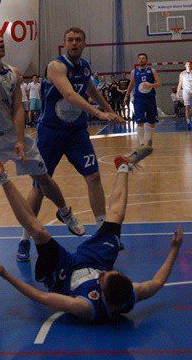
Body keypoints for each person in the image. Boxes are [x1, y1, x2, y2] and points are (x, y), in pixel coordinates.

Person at [0, 146, 186, 322]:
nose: (105, 272)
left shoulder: (86, 307)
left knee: (38, 231)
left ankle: (2, 177)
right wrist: (175, 249)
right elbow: (157, 283)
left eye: (104, 277)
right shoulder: (128, 294)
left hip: (62, 273)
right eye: (111, 272)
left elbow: (42, 298)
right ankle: (123, 166)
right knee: (117, 215)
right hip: (94, 261)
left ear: (102, 292)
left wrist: (6, 275)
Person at [0, 0, 81, 271]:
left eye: (1, 37)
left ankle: (65, 211)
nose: (0, 40)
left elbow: (18, 108)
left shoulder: (13, 73)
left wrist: (20, 139)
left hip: (10, 136)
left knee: (43, 179)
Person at [25, 26, 125, 261]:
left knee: (94, 176)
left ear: (84, 44)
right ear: (64, 43)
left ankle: (102, 231)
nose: (74, 43)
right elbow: (70, 95)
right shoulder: (56, 67)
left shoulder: (85, 66)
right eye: (70, 40)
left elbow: (90, 87)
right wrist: (98, 113)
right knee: (39, 186)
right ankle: (25, 238)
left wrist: (108, 108)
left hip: (76, 133)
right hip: (51, 133)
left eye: (78, 40)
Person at [125, 53, 161, 146]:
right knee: (139, 121)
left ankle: (150, 139)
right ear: (138, 60)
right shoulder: (134, 72)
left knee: (152, 122)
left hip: (150, 99)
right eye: (140, 58)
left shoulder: (152, 71)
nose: (141, 59)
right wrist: (126, 95)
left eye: (143, 58)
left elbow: (158, 84)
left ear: (146, 60)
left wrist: (151, 85)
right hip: (138, 99)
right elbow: (131, 84)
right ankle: (141, 143)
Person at [176, 61, 192, 129]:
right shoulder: (182, 73)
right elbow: (180, 83)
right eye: (187, 64)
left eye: (189, 64)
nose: (188, 64)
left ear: (191, 65)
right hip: (185, 91)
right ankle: (188, 122)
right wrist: (177, 92)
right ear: (185, 65)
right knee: (187, 106)